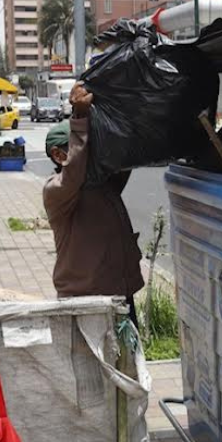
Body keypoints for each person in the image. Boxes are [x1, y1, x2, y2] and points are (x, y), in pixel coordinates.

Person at [43, 84, 143, 318]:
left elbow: (123, 159)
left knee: (127, 355)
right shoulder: (56, 190)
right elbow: (74, 171)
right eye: (83, 146)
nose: (91, 152)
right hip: (86, 300)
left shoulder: (101, 183)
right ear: (59, 155)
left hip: (120, 293)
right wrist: (79, 117)